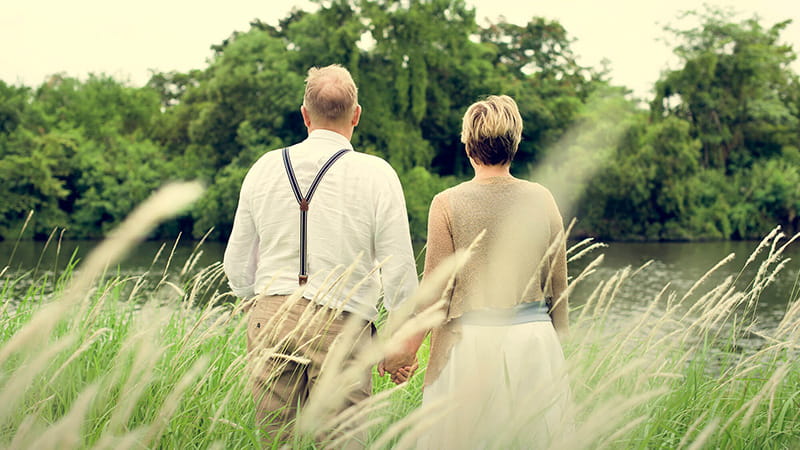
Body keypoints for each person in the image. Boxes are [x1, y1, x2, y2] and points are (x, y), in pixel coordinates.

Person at [223, 64, 419, 446]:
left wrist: (257, 300)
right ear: (356, 115)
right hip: (342, 324)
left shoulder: (263, 168)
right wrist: (398, 344)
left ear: (304, 114)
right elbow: (400, 273)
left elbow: (236, 266)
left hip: (271, 318)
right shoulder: (376, 174)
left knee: (274, 441)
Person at [387, 95, 571, 447]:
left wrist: (404, 350)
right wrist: (554, 351)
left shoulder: (446, 203)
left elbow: (436, 295)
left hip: (468, 348)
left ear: (468, 145)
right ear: (514, 144)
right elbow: (558, 290)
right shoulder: (542, 198)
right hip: (534, 344)